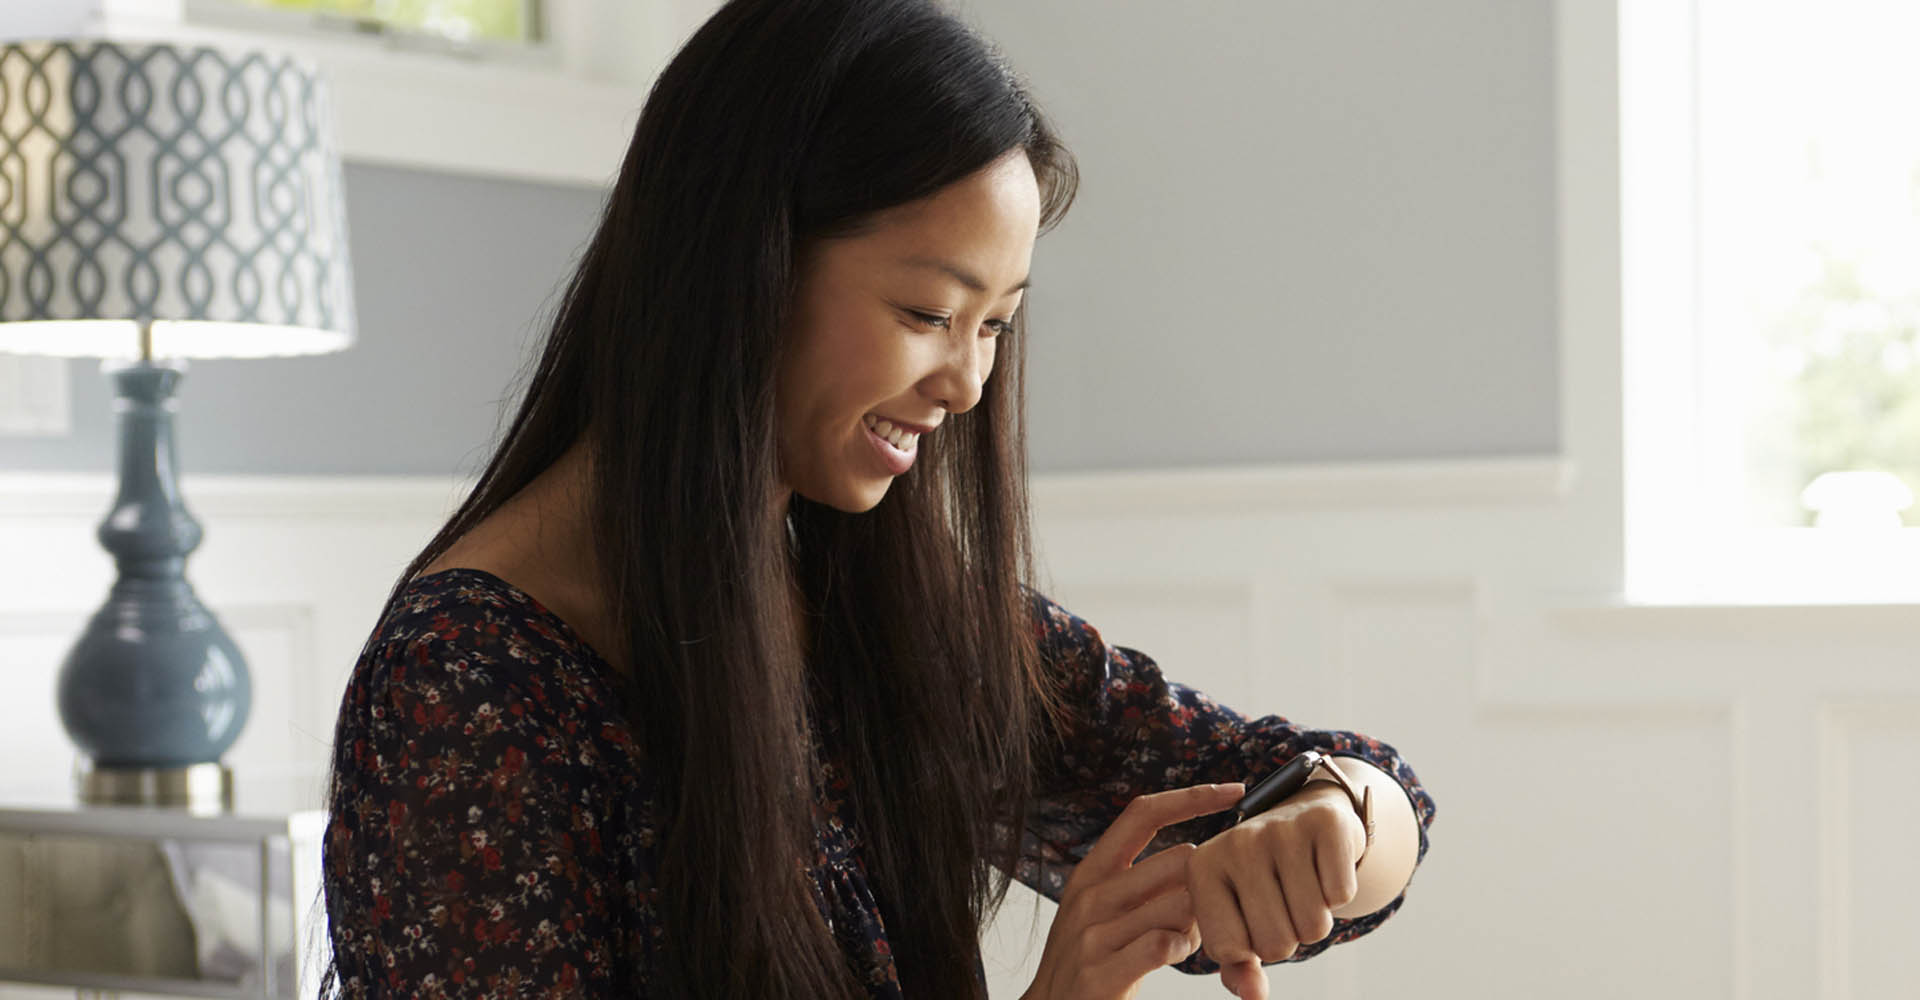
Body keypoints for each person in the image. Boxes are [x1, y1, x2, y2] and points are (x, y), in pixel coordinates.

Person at [317, 0, 1437, 997]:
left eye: (995, 324)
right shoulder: (468, 686)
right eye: (926, 313)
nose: (965, 384)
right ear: (741, 268)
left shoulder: (867, 596)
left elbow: (1380, 801)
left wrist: (1325, 813)